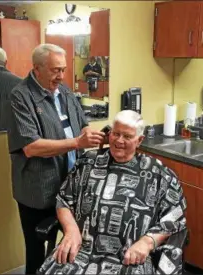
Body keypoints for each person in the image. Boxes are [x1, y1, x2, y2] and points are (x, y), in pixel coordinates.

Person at [38, 110, 187, 275]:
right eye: (115, 134)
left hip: (130, 258)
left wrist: (148, 242)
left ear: (140, 140)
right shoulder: (88, 163)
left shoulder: (158, 174)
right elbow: (63, 200)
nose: (119, 140)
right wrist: (71, 230)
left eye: (127, 136)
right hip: (82, 250)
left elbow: (174, 217)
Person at [6, 43, 105, 274]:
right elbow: (31, 147)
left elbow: (81, 125)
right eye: (55, 70)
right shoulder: (20, 96)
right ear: (37, 69)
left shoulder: (66, 91)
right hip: (38, 189)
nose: (60, 76)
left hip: (71, 186)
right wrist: (77, 143)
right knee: (36, 250)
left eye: (63, 69)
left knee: (76, 241)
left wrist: (91, 135)